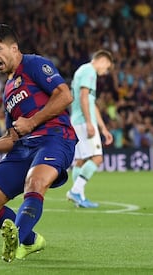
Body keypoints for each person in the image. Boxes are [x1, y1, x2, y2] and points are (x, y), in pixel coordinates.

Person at [0, 24, 77, 262]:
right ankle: (30, 241)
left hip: (54, 138)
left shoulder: (35, 64)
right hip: (24, 148)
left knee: (35, 182)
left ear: (13, 48)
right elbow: (13, 136)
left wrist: (32, 121)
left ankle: (16, 237)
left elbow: (65, 95)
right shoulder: (8, 89)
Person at [66, 50, 114, 208]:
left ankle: (79, 197)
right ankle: (75, 191)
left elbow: (91, 103)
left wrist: (103, 128)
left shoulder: (82, 70)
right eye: (107, 67)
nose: (105, 71)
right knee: (97, 158)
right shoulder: (90, 71)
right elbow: (84, 97)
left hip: (78, 120)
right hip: (83, 121)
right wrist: (88, 122)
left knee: (81, 160)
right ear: (102, 60)